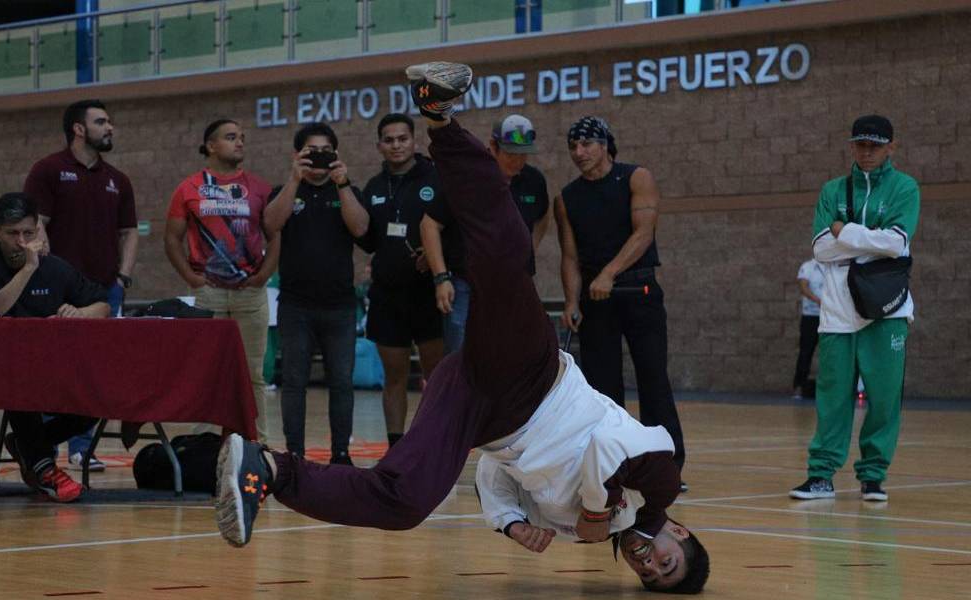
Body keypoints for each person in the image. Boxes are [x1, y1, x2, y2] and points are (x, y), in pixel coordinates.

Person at [214, 62, 709, 594]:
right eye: (667, 563)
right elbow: (609, 448)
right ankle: (440, 117)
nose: (648, 565)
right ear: (679, 534)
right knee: (506, 258)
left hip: (483, 416)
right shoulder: (660, 487)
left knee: (405, 500)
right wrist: (594, 509)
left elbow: (499, 473)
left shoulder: (591, 532)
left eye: (649, 577)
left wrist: (510, 521)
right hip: (533, 377)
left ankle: (268, 469)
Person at [790, 115, 919, 503]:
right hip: (837, 311)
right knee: (832, 397)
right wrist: (869, 242)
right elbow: (820, 249)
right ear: (851, 146)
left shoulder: (904, 188)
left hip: (888, 308)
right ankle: (820, 476)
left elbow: (897, 243)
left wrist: (843, 231)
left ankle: (873, 476)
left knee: (884, 397)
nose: (867, 152)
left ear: (891, 147)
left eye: (875, 145)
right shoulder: (833, 190)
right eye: (860, 144)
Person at [553, 115, 687, 485]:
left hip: (637, 291)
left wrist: (610, 273)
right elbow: (569, 256)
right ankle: (613, 466)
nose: (579, 152)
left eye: (586, 144)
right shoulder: (566, 198)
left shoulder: (635, 178)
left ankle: (666, 468)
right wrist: (571, 301)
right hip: (596, 299)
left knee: (653, 380)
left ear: (605, 145)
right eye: (573, 146)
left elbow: (644, 233)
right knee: (602, 389)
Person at [0, 192, 109, 502]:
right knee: (19, 384)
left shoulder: (56, 268)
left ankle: (27, 445)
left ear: (38, 230)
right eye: (12, 234)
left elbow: (103, 305)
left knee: (97, 398)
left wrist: (80, 312)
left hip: (53, 369)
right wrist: (27, 269)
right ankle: (44, 467)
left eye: (28, 233)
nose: (21, 242)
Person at [23, 99, 138, 472]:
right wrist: (50, 273)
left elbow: (129, 232)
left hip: (104, 289)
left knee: (93, 370)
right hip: (56, 289)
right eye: (101, 121)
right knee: (51, 369)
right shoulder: (48, 170)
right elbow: (36, 225)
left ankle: (82, 448)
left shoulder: (118, 180)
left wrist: (122, 277)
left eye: (109, 121)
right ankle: (43, 447)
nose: (110, 127)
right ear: (78, 128)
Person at [164, 119, 279, 443]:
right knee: (209, 373)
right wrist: (191, 277)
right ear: (211, 146)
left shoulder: (259, 188)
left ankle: (257, 444)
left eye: (242, 137)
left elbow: (275, 235)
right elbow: (171, 238)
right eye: (231, 137)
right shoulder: (188, 188)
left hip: (250, 294)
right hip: (209, 294)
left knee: (252, 374)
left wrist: (263, 275)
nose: (239, 142)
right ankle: (206, 444)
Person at [264, 122, 369, 464]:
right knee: (294, 381)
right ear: (298, 154)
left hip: (339, 306)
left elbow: (361, 228)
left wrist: (343, 183)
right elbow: (271, 224)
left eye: (326, 151)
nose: (320, 158)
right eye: (312, 152)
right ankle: (295, 453)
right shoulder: (284, 190)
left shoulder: (347, 190)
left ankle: (341, 454)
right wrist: (294, 179)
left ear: (336, 154)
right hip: (296, 305)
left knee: (341, 382)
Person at [420, 113, 550, 353]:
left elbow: (542, 216)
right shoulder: (469, 178)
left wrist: (528, 248)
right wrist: (441, 277)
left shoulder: (533, 180)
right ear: (493, 146)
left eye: (523, 154)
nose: (517, 161)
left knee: (512, 350)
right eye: (511, 153)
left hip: (514, 282)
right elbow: (429, 225)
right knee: (462, 351)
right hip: (468, 283)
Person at [358, 113, 444, 447]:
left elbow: (454, 229)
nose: (396, 145)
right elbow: (367, 241)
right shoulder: (374, 187)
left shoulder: (435, 178)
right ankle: (396, 448)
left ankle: (432, 444)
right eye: (389, 140)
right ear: (379, 145)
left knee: (435, 377)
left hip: (428, 295)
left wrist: (434, 255)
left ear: (414, 140)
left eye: (402, 138)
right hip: (388, 297)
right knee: (394, 378)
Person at [792, 258, 826, 399]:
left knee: (829, 354)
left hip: (828, 318)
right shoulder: (808, 267)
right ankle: (799, 386)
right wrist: (817, 300)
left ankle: (828, 388)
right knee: (806, 352)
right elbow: (803, 287)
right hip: (811, 316)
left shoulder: (832, 265)